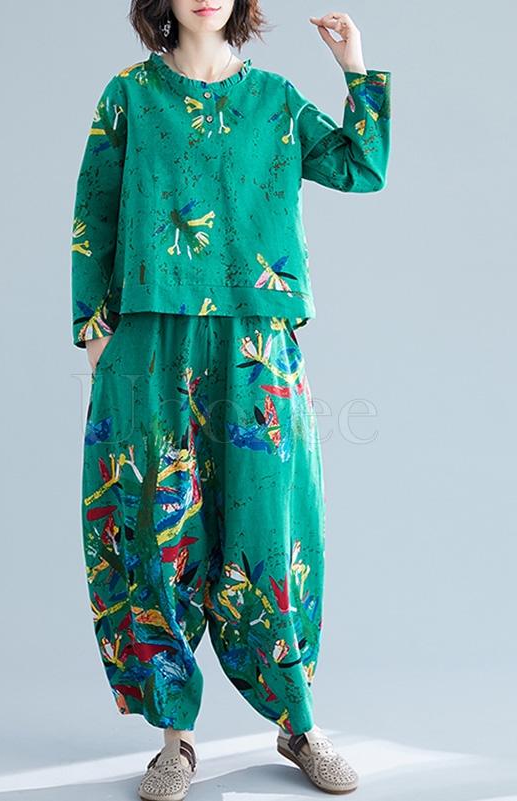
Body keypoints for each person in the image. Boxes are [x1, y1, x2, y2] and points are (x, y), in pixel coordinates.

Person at [71, 1, 391, 798]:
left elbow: (363, 166)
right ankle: (175, 741)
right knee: (158, 527)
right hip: (152, 339)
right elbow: (94, 211)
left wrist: (355, 68)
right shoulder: (129, 95)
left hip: (255, 342)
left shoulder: (274, 99)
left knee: (272, 529)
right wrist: (93, 328)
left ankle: (299, 723)